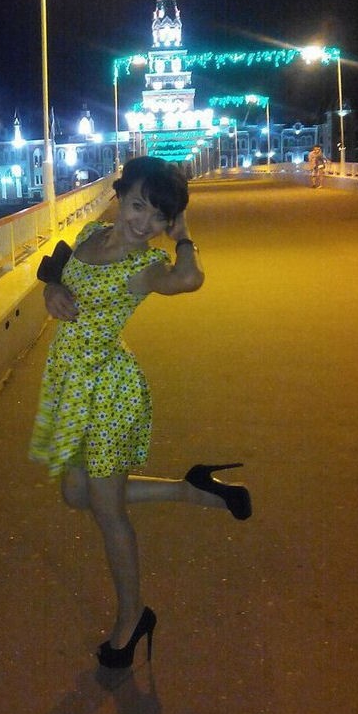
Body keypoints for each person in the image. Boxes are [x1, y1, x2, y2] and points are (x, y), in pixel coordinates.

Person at [29, 155, 252, 669]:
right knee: (75, 493)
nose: (142, 223)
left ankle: (132, 619)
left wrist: (183, 235)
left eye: (158, 217)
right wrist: (52, 289)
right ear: (119, 195)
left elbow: (190, 279)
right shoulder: (89, 234)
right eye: (137, 206)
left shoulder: (143, 269)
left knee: (109, 514)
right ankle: (191, 489)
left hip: (107, 394)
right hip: (73, 386)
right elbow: (58, 268)